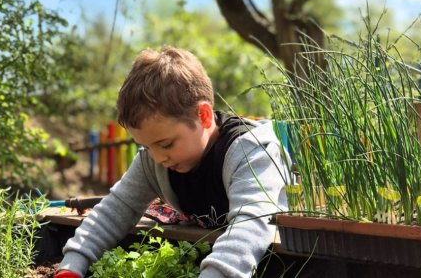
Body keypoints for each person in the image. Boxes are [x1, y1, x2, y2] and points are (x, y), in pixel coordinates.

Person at [55, 46, 288, 278]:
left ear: (203, 116)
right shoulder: (153, 162)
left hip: (283, 260)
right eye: (146, 147)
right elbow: (115, 209)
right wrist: (72, 265)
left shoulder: (251, 151)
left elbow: (250, 226)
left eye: (165, 144)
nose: (157, 157)